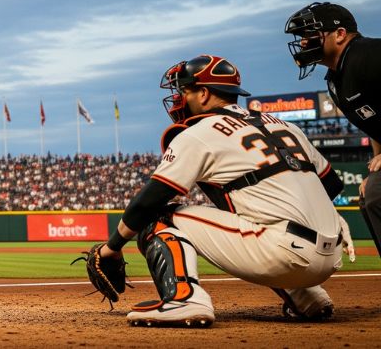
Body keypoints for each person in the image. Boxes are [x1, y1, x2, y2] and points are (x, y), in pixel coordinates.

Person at [92, 54, 346, 327]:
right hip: (332, 253)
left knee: (156, 217)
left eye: (184, 90)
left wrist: (111, 249)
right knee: (255, 215)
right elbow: (332, 184)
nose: (179, 99)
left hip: (284, 255)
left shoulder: (199, 132)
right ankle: (307, 297)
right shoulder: (286, 125)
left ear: (203, 94)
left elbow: (147, 202)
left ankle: (184, 299)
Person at [285, 2, 381, 257]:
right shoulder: (335, 79)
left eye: (310, 34)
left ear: (339, 34)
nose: (304, 43)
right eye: (302, 37)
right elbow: (373, 123)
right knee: (374, 194)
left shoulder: (370, 54)